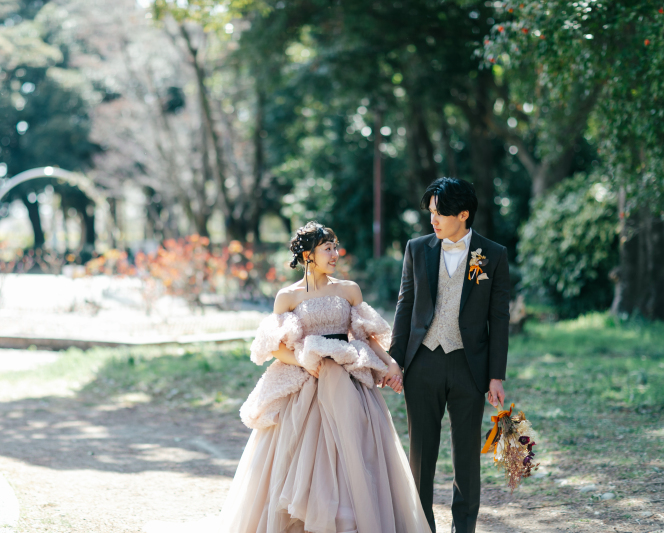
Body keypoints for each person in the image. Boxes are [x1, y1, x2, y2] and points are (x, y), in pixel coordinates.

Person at [213, 221, 432, 533]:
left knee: (355, 452)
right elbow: (275, 347)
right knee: (300, 459)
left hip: (347, 380)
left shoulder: (348, 289)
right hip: (306, 382)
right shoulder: (287, 297)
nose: (334, 253)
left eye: (335, 246)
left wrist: (391, 363)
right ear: (307, 255)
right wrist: (303, 358)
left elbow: (365, 336)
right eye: (327, 248)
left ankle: (350, 519)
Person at [388, 178, 510, 533]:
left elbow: (498, 319)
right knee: (421, 458)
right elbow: (404, 305)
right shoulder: (416, 248)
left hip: (469, 368)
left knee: (467, 460)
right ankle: (422, 528)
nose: (434, 220)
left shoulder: (493, 255)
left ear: (463, 214)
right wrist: (396, 359)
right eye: (430, 213)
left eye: (440, 213)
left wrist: (496, 375)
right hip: (421, 364)